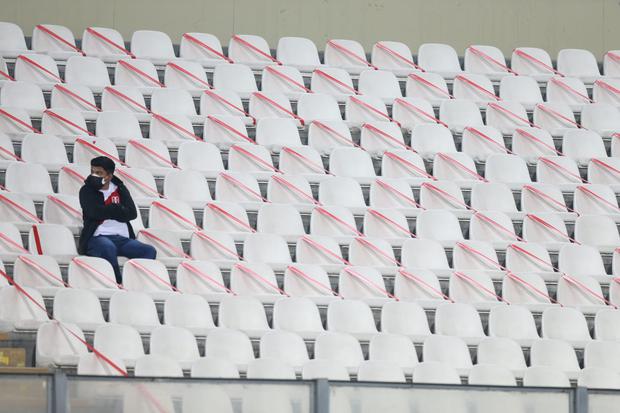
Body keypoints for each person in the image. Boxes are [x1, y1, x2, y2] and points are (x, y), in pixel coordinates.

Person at [78, 156, 156, 284]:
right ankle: (118, 283)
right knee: (108, 247)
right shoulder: (86, 191)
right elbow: (94, 212)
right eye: (92, 171)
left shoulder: (120, 189)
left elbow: (131, 213)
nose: (94, 175)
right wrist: (118, 209)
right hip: (97, 237)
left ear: (108, 176)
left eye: (99, 173)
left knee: (148, 251)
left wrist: (107, 210)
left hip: (122, 239)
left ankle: (138, 284)